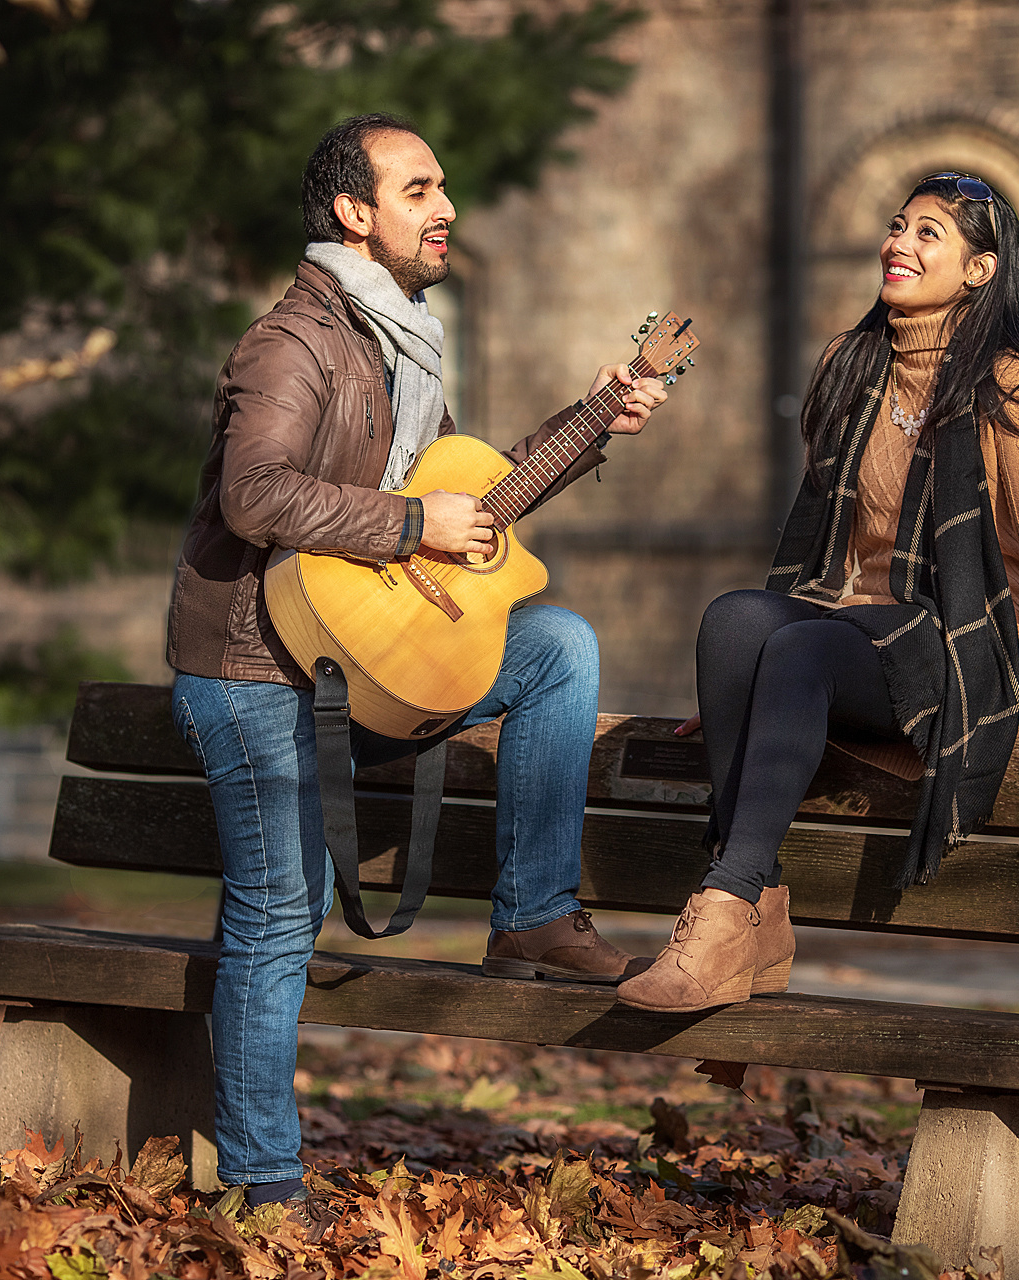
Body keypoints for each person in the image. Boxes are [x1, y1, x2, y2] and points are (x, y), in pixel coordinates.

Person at [166, 113, 668, 1205]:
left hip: (360, 658)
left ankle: (532, 913)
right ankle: (263, 1186)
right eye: (420, 190)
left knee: (557, 646)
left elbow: (473, 498)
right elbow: (254, 495)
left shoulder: (403, 342)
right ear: (355, 212)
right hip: (256, 664)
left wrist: (596, 419)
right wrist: (408, 524)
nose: (447, 208)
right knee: (279, 911)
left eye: (444, 187)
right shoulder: (293, 344)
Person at [616, 172, 1019, 1015]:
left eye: (929, 233)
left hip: (975, 651)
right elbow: (821, 552)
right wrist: (744, 683)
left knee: (797, 648)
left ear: (979, 270)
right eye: (898, 226)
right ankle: (750, 912)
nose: (899, 244)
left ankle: (725, 913)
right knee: (734, 621)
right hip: (858, 636)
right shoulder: (851, 367)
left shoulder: (1013, 391)